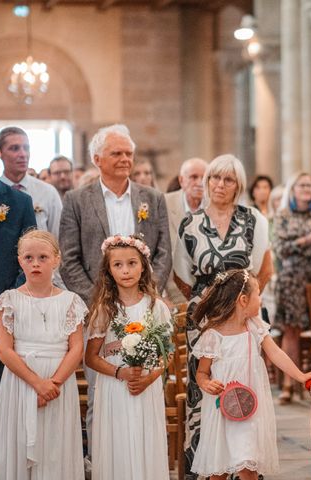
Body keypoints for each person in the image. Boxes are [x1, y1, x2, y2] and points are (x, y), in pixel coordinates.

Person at [59, 123, 171, 462]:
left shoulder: (152, 198)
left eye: (128, 153)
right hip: (100, 312)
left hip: (143, 307)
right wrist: (97, 301)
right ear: (97, 158)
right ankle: (104, 461)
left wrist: (149, 293)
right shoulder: (77, 200)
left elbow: (164, 250)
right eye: (116, 153)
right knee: (100, 394)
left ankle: (145, 462)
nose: (125, 159)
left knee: (146, 388)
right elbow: (70, 256)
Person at [173, 153, 272, 477]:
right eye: (215, 177)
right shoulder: (191, 222)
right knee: (204, 389)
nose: (219, 184)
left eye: (228, 179)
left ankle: (243, 467)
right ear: (206, 181)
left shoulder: (253, 218)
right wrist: (210, 306)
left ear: (238, 185)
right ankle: (205, 469)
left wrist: (240, 306)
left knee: (243, 387)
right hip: (203, 321)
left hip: (243, 317)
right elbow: (181, 275)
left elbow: (262, 269)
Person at [189, 269, 311, 479]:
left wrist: (301, 376)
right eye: (258, 294)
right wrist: (207, 384)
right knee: (219, 471)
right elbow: (202, 373)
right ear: (243, 300)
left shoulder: (254, 327)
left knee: (248, 467)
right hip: (222, 412)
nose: (260, 299)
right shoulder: (213, 335)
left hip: (249, 411)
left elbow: (276, 353)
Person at [0, 230, 86, 479]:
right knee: (20, 446)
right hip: (21, 383)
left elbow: (76, 348)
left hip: (59, 385)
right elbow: (4, 350)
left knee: (55, 447)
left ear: (56, 259)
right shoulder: (9, 300)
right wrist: (37, 384)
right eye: (29, 257)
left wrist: (51, 385)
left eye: (43, 257)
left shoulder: (71, 301)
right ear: (20, 261)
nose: (35, 263)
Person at [85, 234, 171, 480]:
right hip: (115, 387)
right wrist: (120, 372)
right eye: (118, 265)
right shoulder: (105, 308)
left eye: (132, 263)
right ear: (108, 270)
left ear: (143, 266)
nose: (126, 270)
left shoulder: (157, 307)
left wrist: (148, 378)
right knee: (119, 440)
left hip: (146, 387)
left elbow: (166, 354)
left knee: (145, 438)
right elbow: (91, 357)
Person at [0, 122, 37, 415]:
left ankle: (2, 463)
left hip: (4, 323)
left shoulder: (19, 202)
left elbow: (30, 262)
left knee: (5, 407)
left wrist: (0, 313)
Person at [272, 172, 311, 403]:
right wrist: (307, 241)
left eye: (310, 185)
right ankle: (288, 385)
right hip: (291, 279)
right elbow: (280, 248)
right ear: (292, 189)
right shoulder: (283, 215)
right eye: (301, 185)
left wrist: (304, 244)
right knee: (291, 331)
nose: (306, 188)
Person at [0, 127, 62, 240]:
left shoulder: (48, 192)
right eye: (14, 148)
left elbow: (57, 238)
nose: (23, 154)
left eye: (26, 148)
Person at [164, 157, 208, 304]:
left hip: (209, 297)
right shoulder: (163, 203)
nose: (200, 182)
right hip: (172, 294)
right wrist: (161, 296)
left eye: (204, 177)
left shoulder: (216, 207)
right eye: (194, 177)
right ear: (182, 180)